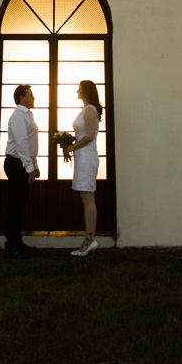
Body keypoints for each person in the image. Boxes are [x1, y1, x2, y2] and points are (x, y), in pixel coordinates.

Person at [62, 80, 101, 256]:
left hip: (87, 157)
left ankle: (90, 239)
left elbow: (90, 136)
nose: (77, 91)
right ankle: (89, 239)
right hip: (82, 157)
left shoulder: (90, 110)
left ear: (85, 91)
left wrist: (72, 147)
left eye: (79, 88)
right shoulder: (86, 110)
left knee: (88, 197)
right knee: (85, 197)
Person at [3, 84, 39, 258]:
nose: (34, 97)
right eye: (30, 95)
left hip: (22, 163)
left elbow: (30, 143)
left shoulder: (27, 115)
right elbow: (22, 144)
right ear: (21, 98)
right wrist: (30, 168)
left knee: (19, 204)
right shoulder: (18, 116)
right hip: (16, 164)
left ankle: (17, 242)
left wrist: (34, 164)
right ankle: (12, 245)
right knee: (15, 204)